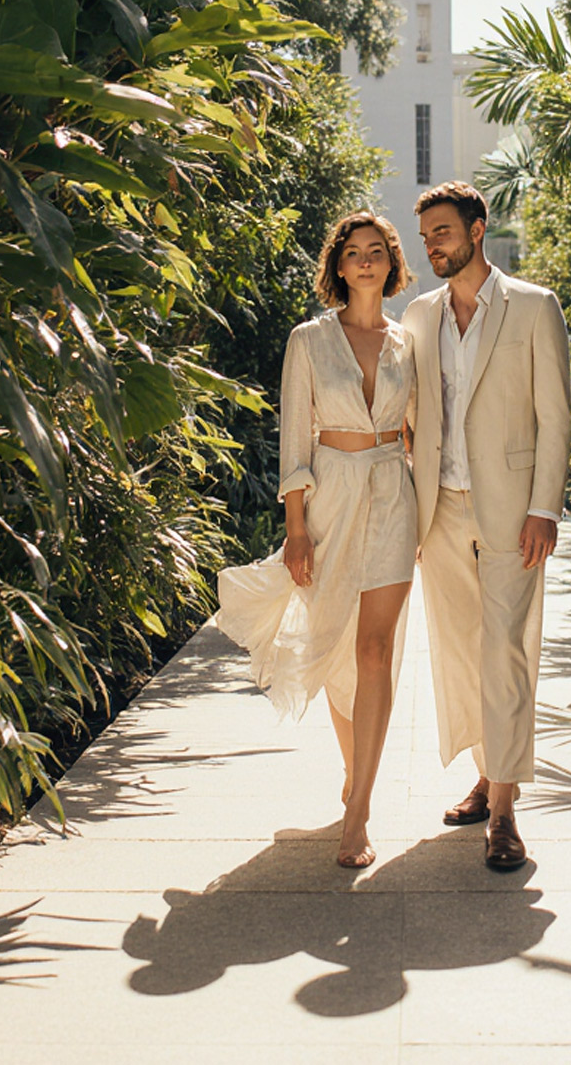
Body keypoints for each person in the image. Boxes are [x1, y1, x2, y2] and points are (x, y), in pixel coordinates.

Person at [214, 212, 417, 870]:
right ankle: (353, 779)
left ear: (391, 263)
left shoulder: (408, 342)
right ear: (338, 264)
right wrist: (295, 527)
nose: (364, 262)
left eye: (376, 251)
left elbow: (424, 429)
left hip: (392, 494)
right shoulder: (308, 339)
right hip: (328, 496)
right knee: (336, 650)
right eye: (352, 252)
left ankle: (358, 809)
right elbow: (294, 436)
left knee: (377, 648)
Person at [402, 182, 571, 871]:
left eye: (442, 232)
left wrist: (545, 508)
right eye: (426, 237)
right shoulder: (417, 315)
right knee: (462, 652)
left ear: (478, 229)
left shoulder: (533, 306)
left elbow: (556, 416)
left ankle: (503, 814)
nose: (433, 246)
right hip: (439, 509)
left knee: (506, 649)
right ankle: (486, 775)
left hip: (511, 511)